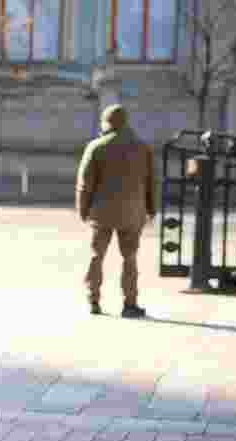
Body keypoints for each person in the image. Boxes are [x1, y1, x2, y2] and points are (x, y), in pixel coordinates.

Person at [76, 104, 156, 318]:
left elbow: (85, 183)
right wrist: (151, 208)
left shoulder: (96, 147)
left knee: (96, 256)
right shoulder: (142, 148)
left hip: (102, 212)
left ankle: (93, 300)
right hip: (132, 212)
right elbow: (151, 182)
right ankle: (130, 304)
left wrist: (82, 209)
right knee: (129, 258)